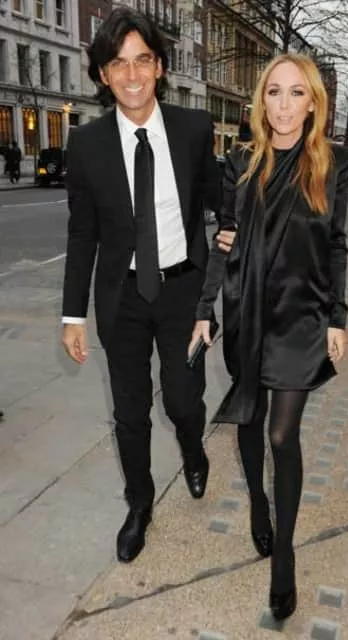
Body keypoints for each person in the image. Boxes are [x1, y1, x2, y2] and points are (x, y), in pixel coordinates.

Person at [189, 53, 348, 621]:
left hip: (303, 313)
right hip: (251, 308)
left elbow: (336, 243)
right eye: (274, 92)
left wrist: (338, 316)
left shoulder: (333, 163)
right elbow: (225, 239)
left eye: (296, 93)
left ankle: (284, 555)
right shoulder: (241, 162)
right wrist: (206, 308)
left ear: (313, 103)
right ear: (261, 100)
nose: (284, 105)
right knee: (251, 417)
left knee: (283, 435)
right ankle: (258, 504)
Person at [61, 7, 226, 564]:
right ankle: (140, 504)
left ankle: (192, 448)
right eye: (118, 63)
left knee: (183, 400)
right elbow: (82, 234)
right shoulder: (86, 145)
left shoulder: (194, 129)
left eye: (142, 60)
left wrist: (225, 267)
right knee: (129, 413)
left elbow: (221, 204)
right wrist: (72, 316)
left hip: (184, 292)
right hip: (122, 299)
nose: (132, 75)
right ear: (102, 75)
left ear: (159, 67)